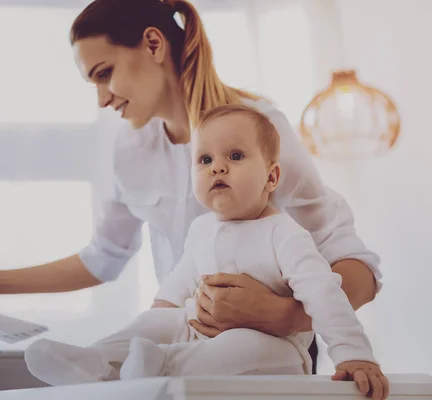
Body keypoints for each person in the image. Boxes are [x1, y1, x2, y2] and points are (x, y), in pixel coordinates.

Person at [0, 0, 382, 376]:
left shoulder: (258, 133)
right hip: (182, 328)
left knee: (205, 357)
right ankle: (99, 362)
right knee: (147, 337)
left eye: (104, 73)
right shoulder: (130, 150)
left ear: (153, 44)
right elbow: (103, 257)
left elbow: (353, 263)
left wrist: (284, 315)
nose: (102, 98)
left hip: (264, 349)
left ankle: (150, 364)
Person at [24, 105, 389, 400]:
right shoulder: (202, 229)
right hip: (198, 330)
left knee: (238, 345)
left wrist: (353, 354)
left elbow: (325, 296)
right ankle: (97, 358)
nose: (218, 166)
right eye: (204, 160)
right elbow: (176, 286)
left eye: (235, 155)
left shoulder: (285, 234)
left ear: (272, 178)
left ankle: (161, 365)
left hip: (275, 350)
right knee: (157, 322)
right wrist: (157, 326)